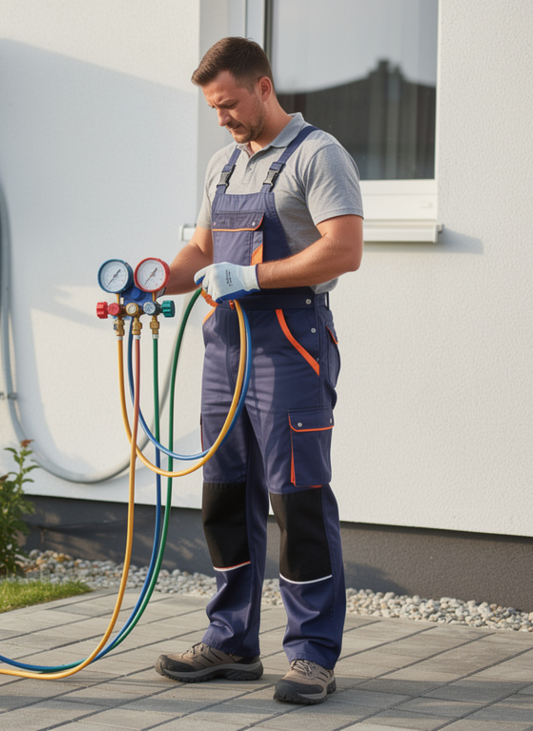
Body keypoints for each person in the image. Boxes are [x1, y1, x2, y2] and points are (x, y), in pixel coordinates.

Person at [152, 37, 363, 705]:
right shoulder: (222, 166)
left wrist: (255, 274)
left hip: (291, 345)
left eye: (229, 104)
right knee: (223, 495)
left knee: (296, 499)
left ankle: (310, 654)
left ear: (263, 87)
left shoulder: (317, 155)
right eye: (213, 107)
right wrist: (153, 279)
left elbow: (345, 250)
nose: (222, 117)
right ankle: (232, 640)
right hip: (226, 349)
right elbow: (200, 247)